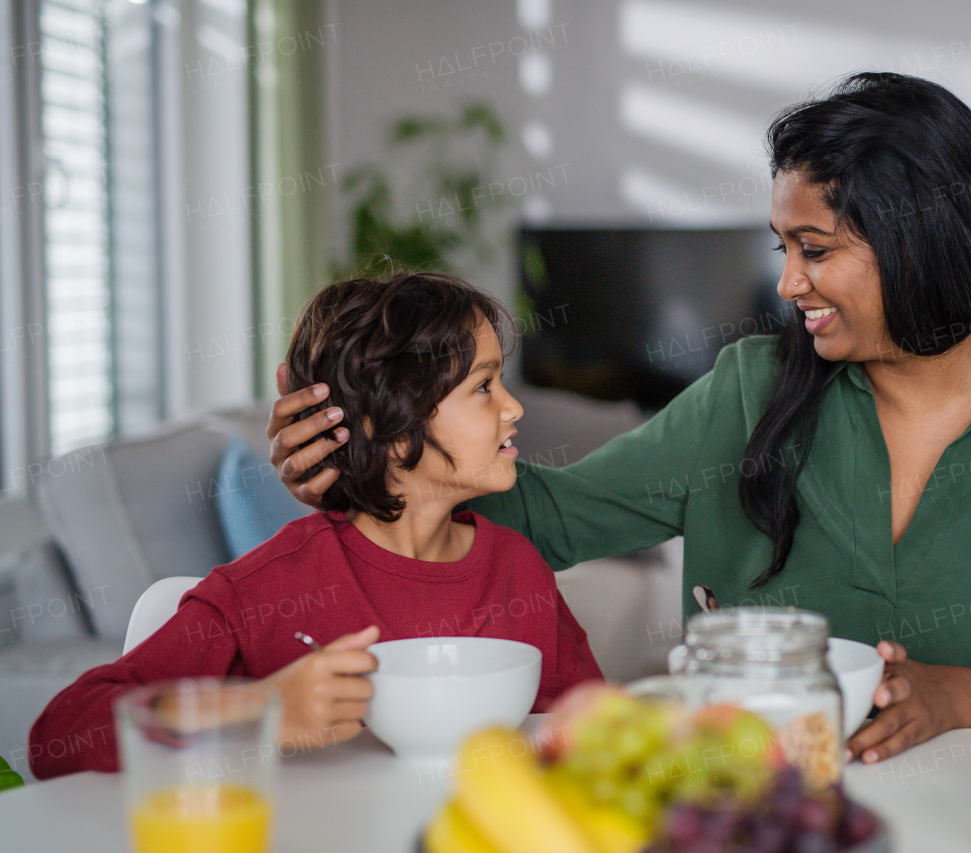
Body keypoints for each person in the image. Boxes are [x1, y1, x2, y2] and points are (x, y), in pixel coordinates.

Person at [269, 72, 971, 765]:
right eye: (781, 249)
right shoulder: (750, 392)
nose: (789, 283)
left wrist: (962, 696)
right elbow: (548, 520)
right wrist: (375, 469)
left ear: (926, 240)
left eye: (815, 249)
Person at [29, 272, 602, 779]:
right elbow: (58, 736)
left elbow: (597, 733)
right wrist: (260, 705)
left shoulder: (520, 570)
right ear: (389, 426)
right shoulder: (272, 587)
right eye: (483, 386)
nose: (513, 407)